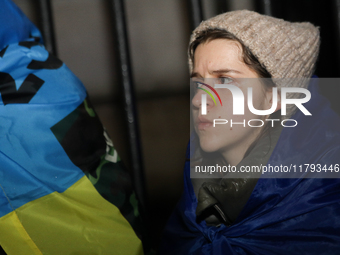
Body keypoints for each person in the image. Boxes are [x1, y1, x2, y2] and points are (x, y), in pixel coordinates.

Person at [160, 10, 340, 254]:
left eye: (224, 80)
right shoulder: (193, 196)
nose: (200, 99)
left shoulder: (323, 198)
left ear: (274, 97)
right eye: (198, 82)